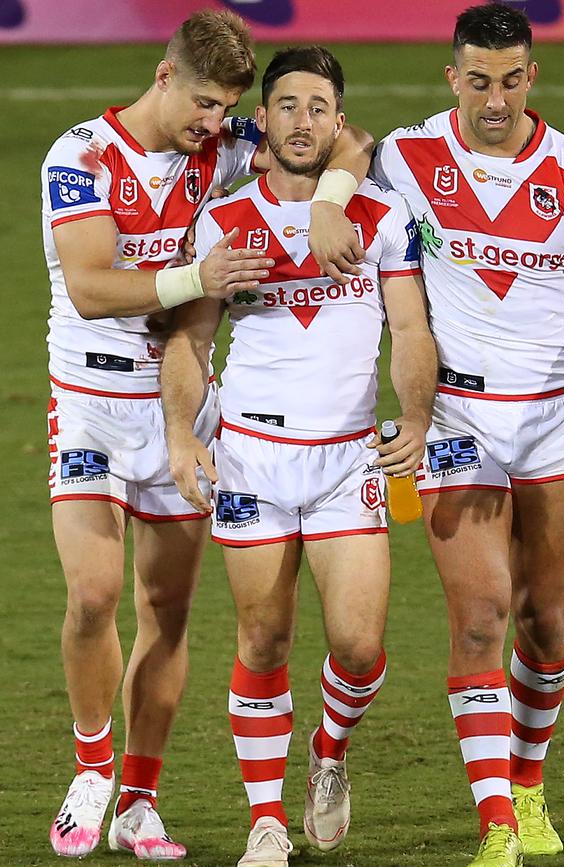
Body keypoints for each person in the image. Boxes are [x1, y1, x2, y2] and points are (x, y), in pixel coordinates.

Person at [42, 10, 374, 860]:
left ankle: (140, 800)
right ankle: (90, 766)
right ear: (162, 77)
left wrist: (332, 197)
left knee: (168, 608)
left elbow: (347, 138)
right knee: (93, 592)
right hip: (89, 403)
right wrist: (198, 273)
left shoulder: (222, 146)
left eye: (225, 108)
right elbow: (87, 285)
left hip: (182, 412)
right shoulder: (80, 157)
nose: (212, 124)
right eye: (201, 103)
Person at [371, 4, 564, 866]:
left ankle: (528, 783)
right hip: (457, 417)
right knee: (482, 615)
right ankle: (497, 822)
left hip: (561, 421)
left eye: (512, 79)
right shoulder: (406, 156)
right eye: (479, 80)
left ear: (533, 77)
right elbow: (311, 145)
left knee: (544, 620)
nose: (496, 99)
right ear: (453, 77)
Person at [160, 46, 438, 867]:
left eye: (319, 106)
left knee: (356, 645)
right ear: (265, 120)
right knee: (263, 639)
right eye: (286, 105)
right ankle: (264, 821)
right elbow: (191, 339)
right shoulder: (223, 220)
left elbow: (413, 329)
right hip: (252, 458)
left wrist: (415, 417)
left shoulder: (381, 218)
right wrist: (182, 436)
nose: (303, 120)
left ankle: (329, 751)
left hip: (350, 459)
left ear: (338, 120)